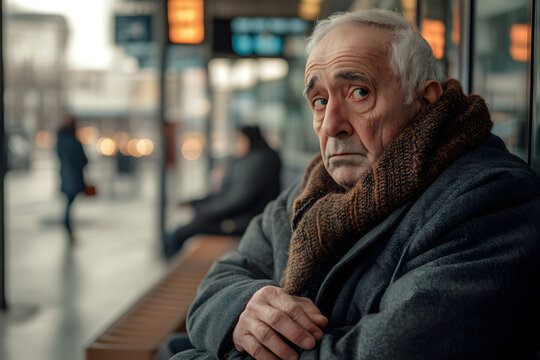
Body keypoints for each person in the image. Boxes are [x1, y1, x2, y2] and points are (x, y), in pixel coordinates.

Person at [174, 9, 540, 359]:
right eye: (319, 100)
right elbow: (215, 287)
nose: (332, 124)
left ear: (424, 101)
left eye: (358, 93)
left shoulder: (492, 199)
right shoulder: (309, 193)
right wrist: (241, 308)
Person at [163, 125, 281, 259]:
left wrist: (202, 210)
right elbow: (229, 194)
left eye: (238, 140)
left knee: (176, 234)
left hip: (242, 222)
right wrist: (196, 203)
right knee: (184, 229)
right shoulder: (253, 159)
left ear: (248, 140)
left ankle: (172, 264)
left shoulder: (258, 161)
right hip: (240, 217)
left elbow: (238, 200)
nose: (236, 145)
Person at [56, 114, 88, 244]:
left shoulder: (60, 140)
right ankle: (68, 227)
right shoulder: (73, 140)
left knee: (69, 204)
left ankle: (68, 227)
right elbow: (83, 159)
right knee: (69, 205)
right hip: (73, 177)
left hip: (66, 175)